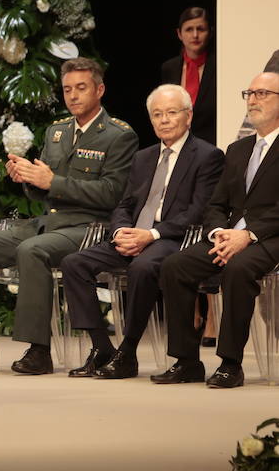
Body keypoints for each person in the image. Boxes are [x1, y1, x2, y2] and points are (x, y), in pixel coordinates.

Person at [0, 58, 138, 375]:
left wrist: (51, 182)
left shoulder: (118, 135)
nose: (72, 96)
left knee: (33, 250)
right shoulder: (57, 131)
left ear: (100, 90)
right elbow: (43, 189)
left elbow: (113, 193)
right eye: (67, 89)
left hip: (88, 227)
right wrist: (27, 179)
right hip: (48, 223)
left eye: (81, 88)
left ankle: (38, 351)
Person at [60, 84, 224, 379]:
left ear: (188, 116)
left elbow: (199, 211)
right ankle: (102, 348)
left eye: (171, 113)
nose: (164, 120)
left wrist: (152, 235)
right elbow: (125, 204)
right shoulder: (143, 157)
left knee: (143, 266)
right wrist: (122, 230)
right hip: (133, 235)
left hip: (172, 239)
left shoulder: (207, 156)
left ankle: (128, 350)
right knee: (74, 263)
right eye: (157, 114)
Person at [154, 71, 279, 388]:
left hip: (270, 237)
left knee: (238, 268)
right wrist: (217, 232)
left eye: (262, 93)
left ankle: (230, 363)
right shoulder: (238, 149)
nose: (252, 100)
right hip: (228, 236)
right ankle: (186, 361)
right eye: (249, 93)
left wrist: (247, 234)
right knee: (175, 265)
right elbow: (215, 204)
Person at [161, 7, 216, 146]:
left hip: (212, 145)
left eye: (201, 29)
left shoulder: (219, 66)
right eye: (189, 29)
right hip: (176, 145)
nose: (195, 35)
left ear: (210, 32)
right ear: (179, 34)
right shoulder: (169, 68)